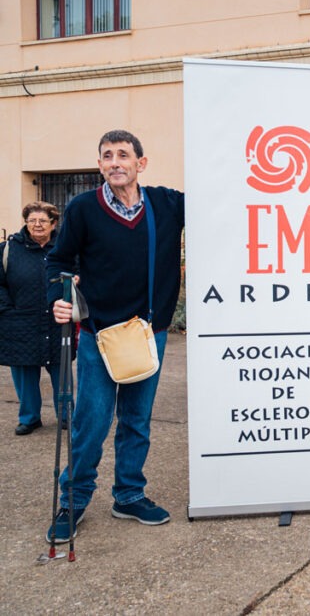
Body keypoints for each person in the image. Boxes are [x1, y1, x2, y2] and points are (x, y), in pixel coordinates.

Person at [45, 130, 185, 544]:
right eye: (107, 156)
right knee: (91, 421)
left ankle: (128, 495)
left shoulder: (167, 203)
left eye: (123, 155)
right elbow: (60, 260)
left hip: (148, 333)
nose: (114, 162)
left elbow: (223, 201)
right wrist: (60, 297)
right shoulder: (83, 208)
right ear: (100, 165)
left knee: (136, 421)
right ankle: (74, 499)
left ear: (141, 163)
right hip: (99, 335)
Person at [0, 202, 64, 435]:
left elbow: (80, 274)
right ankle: (29, 418)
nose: (37, 225)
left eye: (43, 221)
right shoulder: (9, 249)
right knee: (25, 374)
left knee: (61, 371)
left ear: (53, 224)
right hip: (20, 322)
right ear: (26, 222)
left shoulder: (64, 248)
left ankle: (66, 416)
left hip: (57, 321)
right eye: (32, 220)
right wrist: (7, 310)